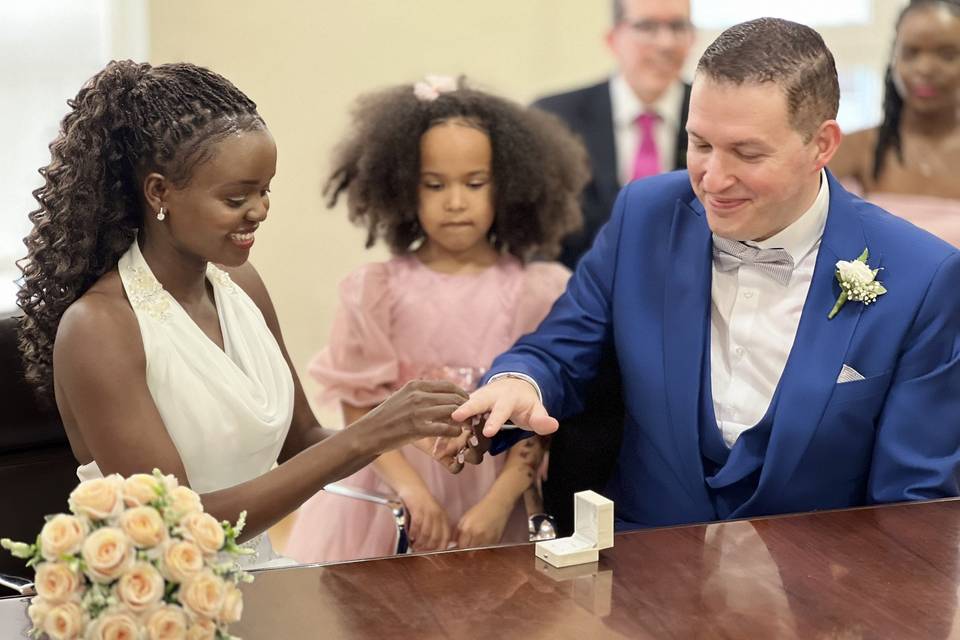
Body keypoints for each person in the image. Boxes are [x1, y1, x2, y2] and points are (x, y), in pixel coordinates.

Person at [446, 18, 960, 529]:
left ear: (822, 145)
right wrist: (520, 383)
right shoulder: (644, 216)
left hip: (821, 590)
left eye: (747, 152)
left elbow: (914, 505)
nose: (712, 179)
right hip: (643, 572)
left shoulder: (923, 277)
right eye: (700, 144)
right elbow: (561, 347)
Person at [16, 61, 470, 566]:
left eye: (265, 190)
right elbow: (178, 531)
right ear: (159, 192)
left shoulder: (242, 286)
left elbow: (304, 442)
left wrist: (407, 432)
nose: (259, 211)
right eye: (237, 197)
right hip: (156, 596)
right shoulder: (99, 328)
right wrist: (370, 432)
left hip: (258, 574)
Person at [283, 77, 588, 562]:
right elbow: (359, 410)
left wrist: (501, 500)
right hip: (390, 502)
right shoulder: (373, 289)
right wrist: (412, 491)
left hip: (497, 505)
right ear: (403, 188)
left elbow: (539, 420)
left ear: (507, 185)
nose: (455, 201)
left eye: (474, 183)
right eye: (434, 184)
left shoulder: (541, 288)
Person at [531, 0, 695, 535]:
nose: (664, 42)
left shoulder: (711, 119)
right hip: (581, 351)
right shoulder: (552, 117)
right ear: (614, 37)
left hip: (689, 349)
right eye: (647, 26)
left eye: (677, 26)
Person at [831, 0, 960, 246]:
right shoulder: (857, 148)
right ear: (894, 57)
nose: (925, 68)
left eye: (946, 54)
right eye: (911, 52)